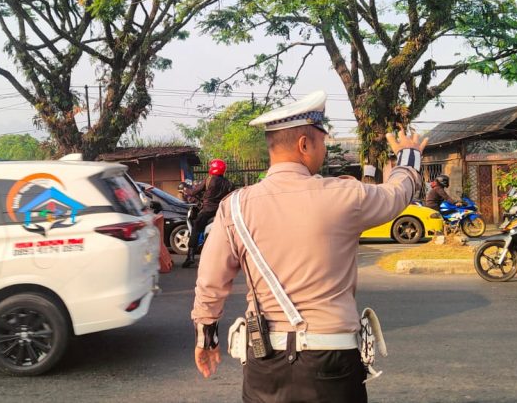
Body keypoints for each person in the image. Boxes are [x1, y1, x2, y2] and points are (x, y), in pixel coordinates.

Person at [190, 90, 427, 402]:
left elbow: (210, 281)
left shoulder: (234, 206)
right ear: (304, 144)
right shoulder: (345, 196)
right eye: (323, 143)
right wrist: (410, 156)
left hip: (265, 362)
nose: (325, 152)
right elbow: (397, 193)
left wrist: (207, 337)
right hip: (332, 361)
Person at [182, 159, 234, 269]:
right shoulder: (228, 183)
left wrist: (186, 190)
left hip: (207, 211)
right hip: (221, 211)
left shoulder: (209, 180)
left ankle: (190, 256)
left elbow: (194, 191)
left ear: (213, 168)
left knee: (196, 229)